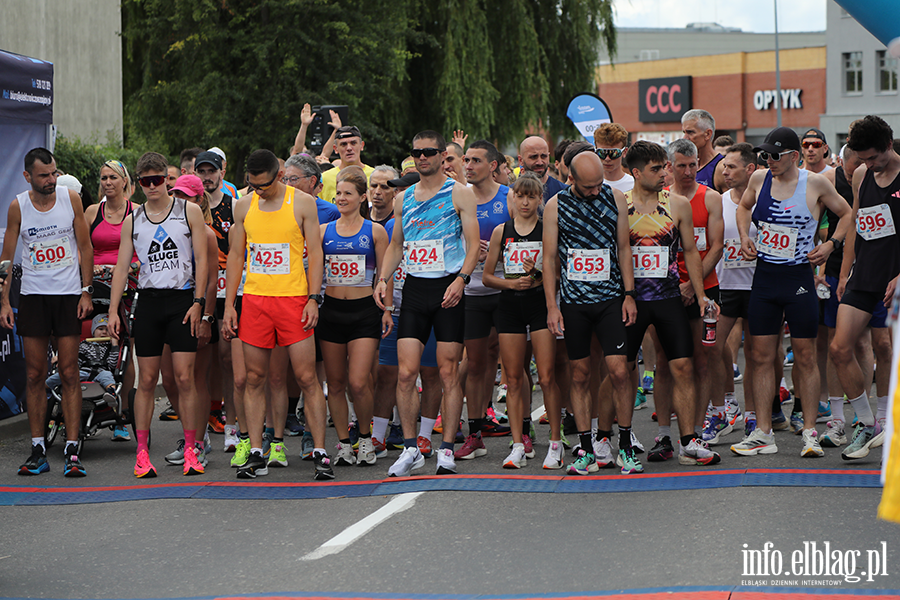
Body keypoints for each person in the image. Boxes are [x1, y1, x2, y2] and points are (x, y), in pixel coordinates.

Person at [733, 126, 852, 457]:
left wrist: (831, 245)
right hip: (766, 277)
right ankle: (763, 432)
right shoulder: (759, 180)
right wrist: (745, 236)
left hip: (799, 277)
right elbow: (744, 208)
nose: (768, 160)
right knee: (758, 356)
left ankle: (811, 431)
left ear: (794, 156)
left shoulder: (813, 183)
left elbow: (846, 214)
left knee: (805, 355)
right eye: (765, 155)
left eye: (775, 155)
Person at [374, 130, 481, 477]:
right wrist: (383, 279)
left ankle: (446, 448)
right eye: (416, 152)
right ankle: (410, 448)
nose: (422, 158)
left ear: (441, 156)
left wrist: (461, 281)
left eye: (429, 152)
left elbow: (473, 242)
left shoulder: (459, 193)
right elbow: (396, 246)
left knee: (448, 373)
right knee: (406, 373)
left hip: (448, 290)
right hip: (416, 289)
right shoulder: (404, 198)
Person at [223, 149, 331, 480]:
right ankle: (257, 451)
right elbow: (236, 256)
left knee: (306, 378)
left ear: (279, 174)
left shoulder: (301, 203)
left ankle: (321, 452)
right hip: (255, 300)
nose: (260, 191)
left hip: (293, 300)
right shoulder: (243, 205)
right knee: (254, 378)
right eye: (253, 185)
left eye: (265, 185)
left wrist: (313, 298)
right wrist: (230, 305)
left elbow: (315, 252)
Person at [107, 152, 209, 477]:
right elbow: (122, 267)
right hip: (148, 303)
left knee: (183, 378)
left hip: (182, 302)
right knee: (148, 380)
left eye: (158, 180)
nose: (152, 186)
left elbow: (204, 261)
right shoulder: (132, 220)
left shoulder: (188, 211)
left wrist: (200, 303)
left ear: (167, 178)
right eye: (146, 181)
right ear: (137, 184)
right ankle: (141, 452)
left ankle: (193, 449)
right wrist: (112, 310)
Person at [624, 141, 721, 468]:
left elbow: (691, 252)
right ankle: (632, 438)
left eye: (666, 166)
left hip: (668, 299)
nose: (665, 173)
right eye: (657, 168)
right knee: (623, 370)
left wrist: (701, 293)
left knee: (682, 366)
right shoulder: (620, 205)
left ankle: (688, 440)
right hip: (633, 302)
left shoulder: (677, 204)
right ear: (637, 173)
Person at [543, 150, 638, 475]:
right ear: (572, 179)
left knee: (620, 372)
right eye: (589, 187)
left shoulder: (615, 198)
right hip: (574, 302)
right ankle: (584, 449)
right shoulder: (556, 204)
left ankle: (623, 444)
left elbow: (624, 248)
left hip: (611, 298)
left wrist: (629, 294)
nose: (596, 191)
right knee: (580, 374)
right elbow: (549, 259)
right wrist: (552, 306)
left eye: (600, 184)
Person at [1, 148, 94, 477]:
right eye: (44, 175)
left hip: (68, 296)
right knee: (33, 375)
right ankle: (38, 448)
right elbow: (7, 258)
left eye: (54, 173)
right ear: (28, 176)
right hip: (34, 297)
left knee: (69, 373)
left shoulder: (71, 200)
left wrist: (86, 290)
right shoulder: (18, 207)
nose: (51, 180)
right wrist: (2, 301)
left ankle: (72, 449)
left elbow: (85, 246)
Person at [482, 173, 563, 468]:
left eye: (531, 196)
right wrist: (511, 284)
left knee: (546, 375)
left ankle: (555, 441)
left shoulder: (546, 230)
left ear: (540, 199)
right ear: (512, 198)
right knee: (513, 379)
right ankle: (518, 444)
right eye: (521, 196)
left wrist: (538, 273)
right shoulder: (501, 231)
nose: (525, 202)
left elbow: (555, 272)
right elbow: (489, 276)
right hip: (509, 305)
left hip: (540, 305)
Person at [831, 115, 900, 459]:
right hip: (865, 275)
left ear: (889, 145)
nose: (869, 165)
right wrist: (845, 274)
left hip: (896, 277)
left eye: (873, 158)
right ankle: (866, 422)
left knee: (890, 349)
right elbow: (857, 225)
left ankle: (891, 422)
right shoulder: (861, 174)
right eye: (862, 159)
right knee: (839, 348)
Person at [318, 167, 391, 466]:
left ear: (363, 197)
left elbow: (385, 276)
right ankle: (344, 443)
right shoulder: (324, 232)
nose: (341, 198)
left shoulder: (375, 231)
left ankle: (365, 437)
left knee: (359, 381)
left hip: (364, 312)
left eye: (348, 193)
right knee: (335, 384)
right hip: (332, 311)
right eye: (338, 193)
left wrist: (387, 309)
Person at [454, 140, 511, 461]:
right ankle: (474, 433)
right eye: (466, 159)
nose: (469, 165)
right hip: (472, 290)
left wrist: (499, 251)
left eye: (476, 160)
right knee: (474, 362)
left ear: (493, 165)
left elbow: (527, 237)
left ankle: (522, 434)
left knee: (510, 366)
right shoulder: (458, 198)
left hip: (505, 289)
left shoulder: (509, 197)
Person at [707, 143, 758, 443]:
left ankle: (753, 416)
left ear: (749, 169)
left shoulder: (762, 200)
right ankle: (725, 407)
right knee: (713, 348)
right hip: (723, 287)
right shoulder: (719, 201)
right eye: (723, 166)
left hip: (756, 287)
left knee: (756, 355)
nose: (724, 171)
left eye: (731, 166)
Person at [85, 159, 136, 442]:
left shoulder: (136, 212)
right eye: (103, 178)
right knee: (93, 345)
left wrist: (125, 269)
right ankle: (91, 405)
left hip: (128, 287)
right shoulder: (93, 211)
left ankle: (123, 414)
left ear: (124, 181)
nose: (107, 183)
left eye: (113, 178)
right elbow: (84, 247)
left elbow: (141, 251)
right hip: (96, 290)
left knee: (124, 351)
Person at [45, 313, 118, 399]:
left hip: (101, 372)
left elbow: (112, 364)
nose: (104, 332)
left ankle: (111, 393)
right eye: (100, 329)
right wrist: (62, 360)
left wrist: (115, 345)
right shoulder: (84, 344)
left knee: (107, 376)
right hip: (83, 371)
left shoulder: (110, 347)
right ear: (93, 331)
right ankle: (44, 388)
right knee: (64, 374)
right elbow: (75, 358)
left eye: (107, 330)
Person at [320, 126, 375, 203]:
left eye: (353, 143)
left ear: (361, 145)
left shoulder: (375, 176)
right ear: (335, 148)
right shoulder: (324, 178)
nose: (349, 148)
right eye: (343, 144)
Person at [681, 109, 725, 192]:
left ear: (707, 134)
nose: (685, 138)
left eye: (690, 132)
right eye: (684, 133)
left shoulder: (721, 168)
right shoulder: (685, 167)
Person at [519, 136, 566, 203]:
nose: (540, 162)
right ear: (520, 160)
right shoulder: (510, 193)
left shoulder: (563, 192)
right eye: (533, 157)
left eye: (544, 156)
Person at [593, 123, 634, 193]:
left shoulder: (634, 185)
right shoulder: (590, 184)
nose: (607, 159)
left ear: (624, 152)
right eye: (602, 153)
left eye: (614, 153)